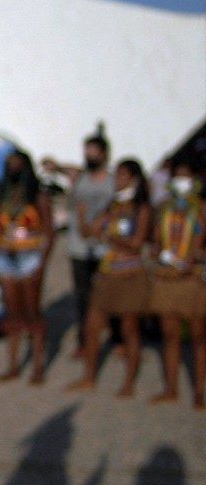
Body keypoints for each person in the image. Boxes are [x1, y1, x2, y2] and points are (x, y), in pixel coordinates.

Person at [68, 159, 151, 396]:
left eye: (122, 175)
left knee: (129, 329)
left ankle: (128, 383)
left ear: (134, 179)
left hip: (129, 274)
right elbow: (88, 233)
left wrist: (108, 237)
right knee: (92, 326)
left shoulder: (141, 209)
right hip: (107, 273)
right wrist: (82, 217)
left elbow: (136, 243)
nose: (117, 180)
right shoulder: (112, 207)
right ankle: (88, 377)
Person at [43, 130, 115, 359]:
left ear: (103, 153)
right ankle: (84, 341)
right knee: (83, 296)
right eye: (87, 151)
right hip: (79, 247)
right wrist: (54, 165)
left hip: (105, 247)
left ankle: (117, 339)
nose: (89, 155)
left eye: (93, 151)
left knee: (110, 294)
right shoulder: (80, 178)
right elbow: (66, 169)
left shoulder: (112, 181)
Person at [0, 151, 53, 385]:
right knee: (12, 315)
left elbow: (49, 231)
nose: (13, 168)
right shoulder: (2, 195)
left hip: (30, 256)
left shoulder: (38, 196)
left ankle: (37, 367)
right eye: (9, 164)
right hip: (7, 255)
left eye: (17, 164)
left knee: (32, 314)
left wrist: (42, 262)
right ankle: (13, 365)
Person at [147, 159, 205, 408]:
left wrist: (196, 256)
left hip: (191, 279)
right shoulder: (164, 208)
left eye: (186, 176)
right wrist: (159, 253)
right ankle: (171, 388)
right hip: (167, 276)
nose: (182, 182)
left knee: (198, 336)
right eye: (177, 176)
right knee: (169, 335)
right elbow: (155, 241)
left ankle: (199, 392)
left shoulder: (201, 208)